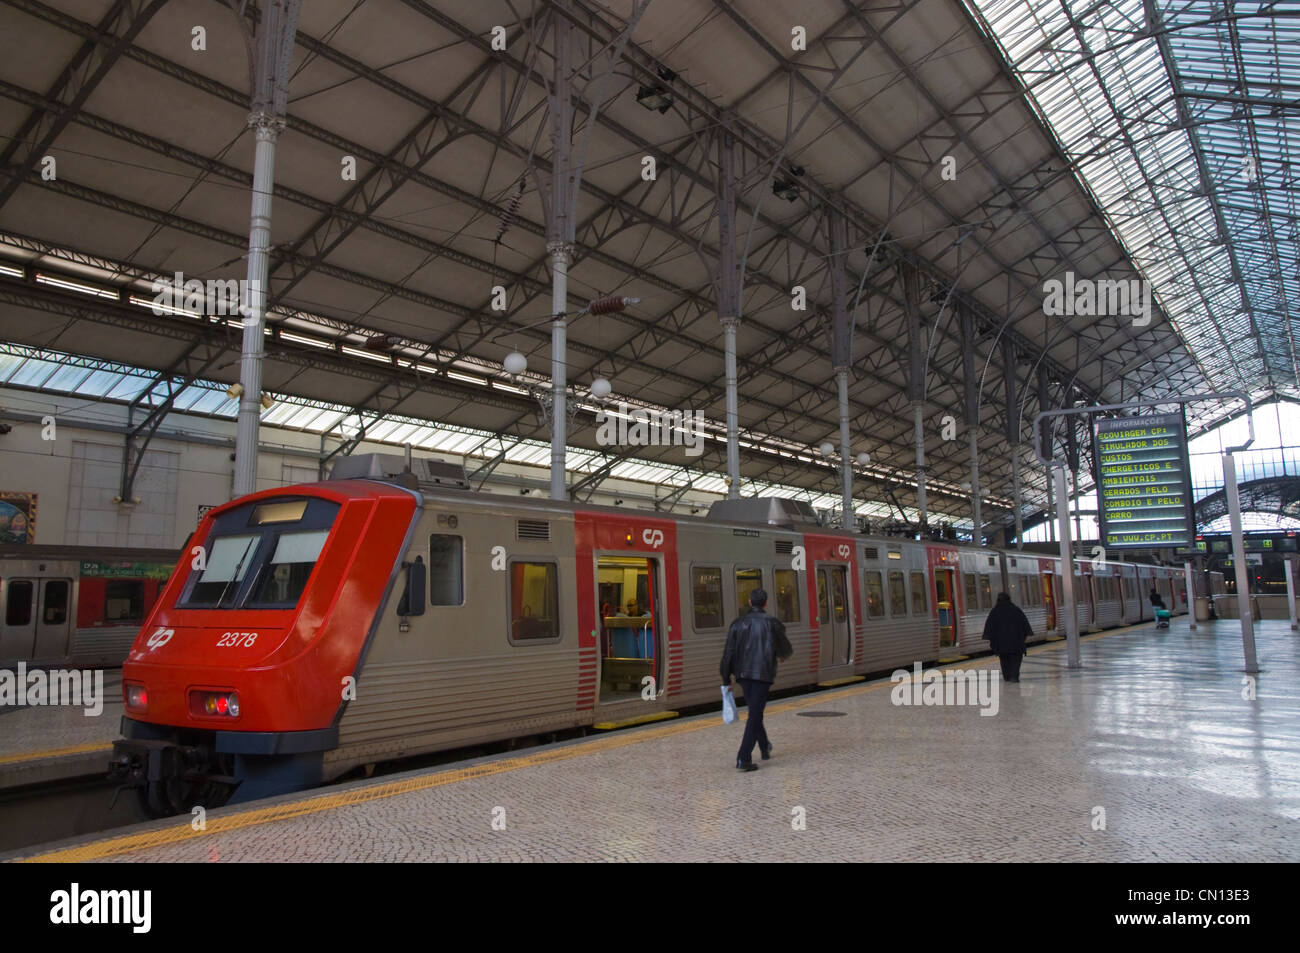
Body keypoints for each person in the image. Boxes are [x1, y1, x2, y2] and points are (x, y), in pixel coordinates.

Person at [720, 588, 793, 771]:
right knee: (755, 713)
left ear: (750, 602)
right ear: (766, 603)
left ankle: (764, 745)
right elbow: (786, 648)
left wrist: (725, 678)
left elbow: (728, 653)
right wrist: (781, 655)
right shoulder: (772, 623)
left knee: (755, 711)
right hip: (763, 675)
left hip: (743, 675)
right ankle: (743, 758)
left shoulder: (737, 624)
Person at [983, 591, 1032, 683]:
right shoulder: (1016, 610)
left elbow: (989, 628)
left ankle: (1007, 676)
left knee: (1004, 660)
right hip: (1016, 643)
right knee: (1016, 660)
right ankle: (1014, 676)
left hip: (1001, 644)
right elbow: (1025, 626)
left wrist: (992, 641)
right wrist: (1022, 638)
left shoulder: (994, 612)